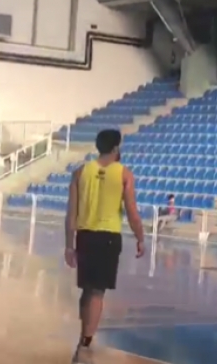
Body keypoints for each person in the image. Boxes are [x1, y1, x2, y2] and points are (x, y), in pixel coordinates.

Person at [64, 129, 145, 364]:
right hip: (108, 237)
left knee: (88, 290)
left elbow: (71, 214)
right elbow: (132, 211)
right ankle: (85, 344)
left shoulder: (80, 172)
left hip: (85, 236)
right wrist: (140, 237)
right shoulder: (124, 174)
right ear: (116, 148)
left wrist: (69, 245)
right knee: (97, 292)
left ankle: (83, 336)